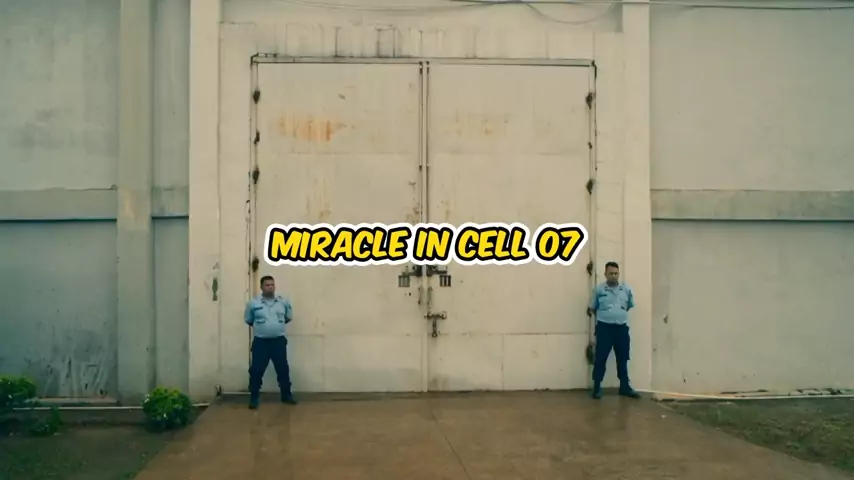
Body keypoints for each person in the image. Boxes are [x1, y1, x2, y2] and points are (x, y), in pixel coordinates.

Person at [586, 261, 641, 400]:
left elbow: (629, 306)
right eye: (611, 273)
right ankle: (597, 387)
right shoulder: (599, 290)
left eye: (616, 273)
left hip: (621, 329)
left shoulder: (626, 290)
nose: (614, 276)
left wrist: (617, 315)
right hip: (605, 329)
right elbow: (592, 308)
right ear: (605, 274)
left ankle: (624, 387)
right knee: (601, 358)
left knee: (623, 358)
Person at [244, 275, 297, 408]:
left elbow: (288, 317)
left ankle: (286, 396)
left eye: (272, 285)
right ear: (261, 287)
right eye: (267, 285)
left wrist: (274, 327)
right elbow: (249, 320)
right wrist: (264, 329)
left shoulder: (282, 302)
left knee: (283, 369)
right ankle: (254, 398)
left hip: (278, 342)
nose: (270, 287)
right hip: (261, 343)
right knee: (256, 370)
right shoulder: (253, 303)